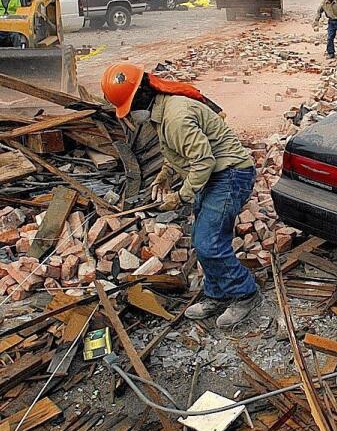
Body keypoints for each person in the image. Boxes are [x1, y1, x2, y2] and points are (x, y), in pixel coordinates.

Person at [102, 64, 260, 328]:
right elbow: (179, 152)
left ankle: (245, 293)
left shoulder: (176, 117)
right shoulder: (163, 114)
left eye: (129, 111)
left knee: (209, 242)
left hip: (230, 174)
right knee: (204, 239)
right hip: (214, 175)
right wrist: (165, 174)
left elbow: (203, 162)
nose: (130, 117)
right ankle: (217, 294)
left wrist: (181, 196)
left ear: (141, 98)